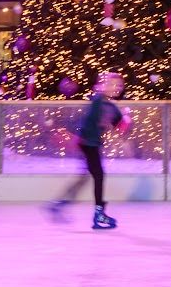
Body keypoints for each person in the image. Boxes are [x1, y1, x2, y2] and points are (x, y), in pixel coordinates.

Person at [46, 71, 129, 230]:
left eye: (119, 85)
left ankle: (58, 205)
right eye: (112, 84)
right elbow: (88, 121)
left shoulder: (110, 106)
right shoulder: (99, 101)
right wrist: (78, 139)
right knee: (98, 176)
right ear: (104, 86)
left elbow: (120, 127)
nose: (117, 88)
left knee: (87, 177)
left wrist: (125, 118)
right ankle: (98, 213)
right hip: (88, 144)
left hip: (90, 144)